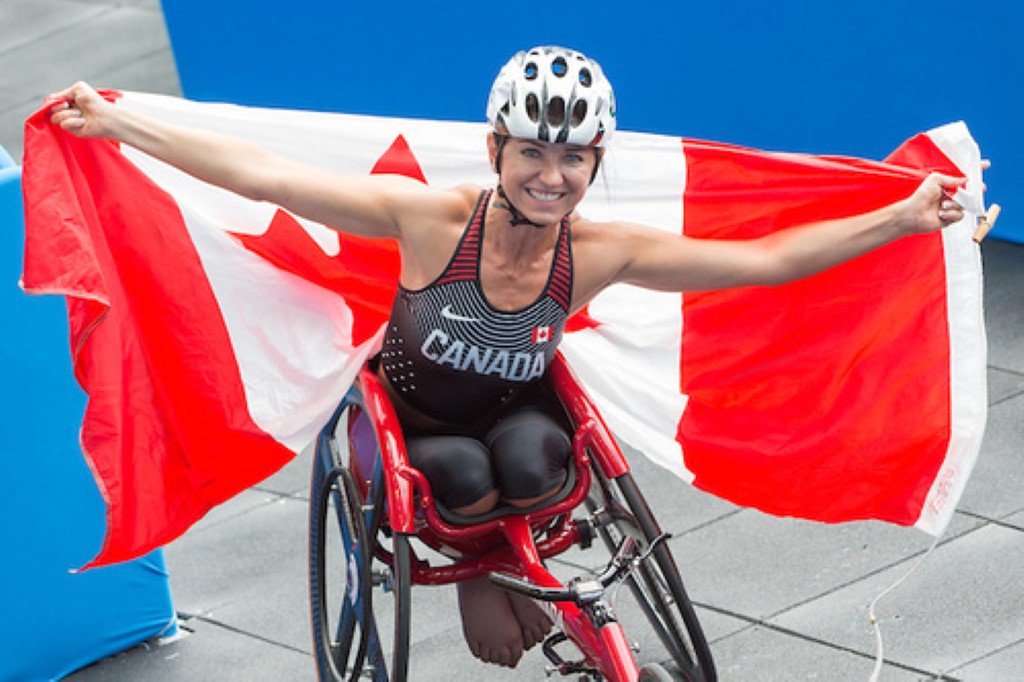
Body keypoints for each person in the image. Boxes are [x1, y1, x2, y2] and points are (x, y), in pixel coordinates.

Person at [48, 45, 970, 669]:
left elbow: (764, 262)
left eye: (572, 158)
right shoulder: (429, 222)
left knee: (538, 458)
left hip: (518, 418)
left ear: (596, 162)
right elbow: (264, 176)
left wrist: (902, 215)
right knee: (455, 469)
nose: (551, 174)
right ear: (497, 149)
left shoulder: (601, 252)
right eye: (533, 151)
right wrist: (118, 125)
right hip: (413, 429)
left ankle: (525, 576)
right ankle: (485, 575)